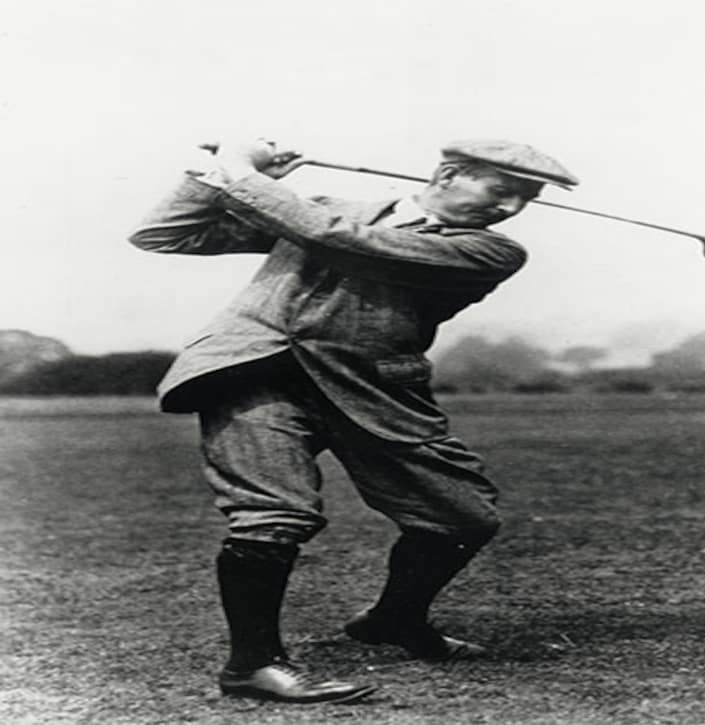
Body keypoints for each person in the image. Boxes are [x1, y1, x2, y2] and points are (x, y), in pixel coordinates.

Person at [128, 137, 578, 704]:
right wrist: (207, 175)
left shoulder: (488, 252)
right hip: (251, 373)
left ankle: (394, 619)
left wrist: (241, 172)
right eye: (502, 189)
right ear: (449, 173)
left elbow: (337, 241)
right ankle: (253, 665)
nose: (511, 209)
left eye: (525, 199)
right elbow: (165, 235)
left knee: (463, 519)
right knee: (273, 515)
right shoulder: (328, 208)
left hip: (371, 387)